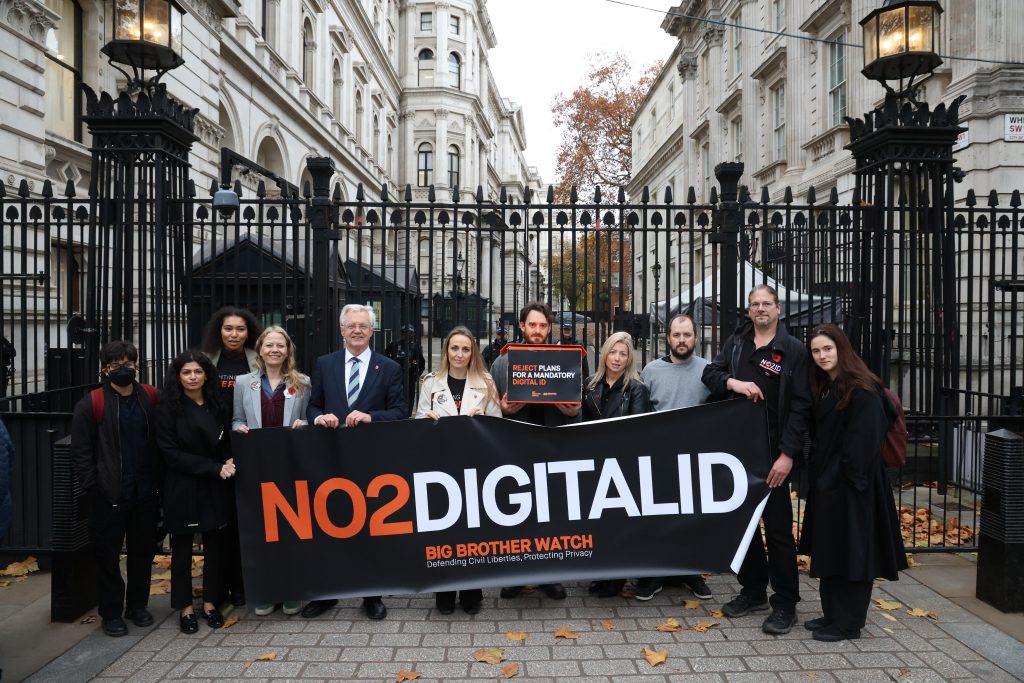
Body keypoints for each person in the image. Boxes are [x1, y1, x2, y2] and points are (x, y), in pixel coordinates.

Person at [701, 285, 811, 635]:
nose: (760, 309)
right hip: (738, 453)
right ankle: (753, 591)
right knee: (743, 528)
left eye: (766, 304)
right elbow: (710, 375)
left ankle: (785, 603)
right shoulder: (736, 343)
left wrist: (788, 454)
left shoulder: (794, 350)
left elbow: (801, 406)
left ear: (778, 309)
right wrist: (733, 383)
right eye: (755, 304)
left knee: (778, 532)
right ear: (748, 310)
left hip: (775, 454)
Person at [802, 324, 907, 642]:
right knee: (832, 550)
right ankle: (833, 614)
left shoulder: (862, 389)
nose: (822, 355)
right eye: (816, 351)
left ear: (842, 349)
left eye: (827, 348)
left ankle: (849, 623)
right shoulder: (829, 385)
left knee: (854, 554)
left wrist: (840, 479)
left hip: (854, 487)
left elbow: (861, 446)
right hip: (832, 485)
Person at [304, 303, 408, 620]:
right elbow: (312, 406)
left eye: (363, 326)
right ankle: (328, 593)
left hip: (370, 461)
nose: (357, 331)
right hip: (331, 459)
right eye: (351, 326)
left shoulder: (388, 368)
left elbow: (400, 412)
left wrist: (370, 417)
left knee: (370, 529)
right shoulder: (325, 364)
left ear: (372, 330)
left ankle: (371, 595)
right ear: (342, 330)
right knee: (329, 525)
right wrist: (319, 418)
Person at [69, 341, 161, 638]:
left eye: (128, 363)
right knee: (107, 556)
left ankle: (137, 606)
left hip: (144, 490)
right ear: (105, 370)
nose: (124, 368)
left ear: (137, 365)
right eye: (116, 364)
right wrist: (94, 488)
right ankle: (111, 612)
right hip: (109, 493)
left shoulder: (150, 396)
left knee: (142, 553)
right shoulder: (92, 404)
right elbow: (81, 453)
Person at [489, 302, 578, 600]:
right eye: (532, 325)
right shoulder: (502, 363)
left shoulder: (566, 360)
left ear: (549, 328)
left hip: (554, 443)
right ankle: (518, 574)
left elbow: (577, 409)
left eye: (542, 326)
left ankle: (549, 575)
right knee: (517, 512)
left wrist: (571, 412)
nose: (537, 331)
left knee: (552, 512)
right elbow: (491, 409)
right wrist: (503, 409)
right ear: (522, 327)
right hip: (516, 446)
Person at [414, 325, 501, 615]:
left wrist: (485, 418)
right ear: (446, 351)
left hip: (475, 467)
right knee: (444, 531)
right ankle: (445, 590)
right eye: (454, 348)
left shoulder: (486, 382)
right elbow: (417, 419)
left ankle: (472, 590)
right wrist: (424, 420)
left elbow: (499, 423)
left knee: (472, 532)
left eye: (465, 349)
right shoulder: (430, 382)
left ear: (472, 352)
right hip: (441, 467)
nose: (459, 354)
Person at [231, 326, 311, 617]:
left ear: (288, 350)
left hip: (289, 466)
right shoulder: (244, 383)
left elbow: (307, 419)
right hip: (257, 467)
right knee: (263, 531)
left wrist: (304, 425)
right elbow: (236, 419)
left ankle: (292, 590)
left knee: (291, 531)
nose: (275, 350)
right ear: (260, 350)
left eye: (280, 345)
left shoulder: (302, 382)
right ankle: (267, 591)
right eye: (269, 345)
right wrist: (238, 428)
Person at [634, 314, 714, 602]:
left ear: (695, 337)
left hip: (695, 458)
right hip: (659, 458)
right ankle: (654, 573)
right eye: (677, 335)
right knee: (658, 518)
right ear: (668, 338)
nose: (682, 340)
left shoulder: (708, 371)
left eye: (687, 335)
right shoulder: (651, 371)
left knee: (691, 519)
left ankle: (690, 572)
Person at [155, 350, 235, 634]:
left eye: (198, 372)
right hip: (183, 484)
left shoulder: (218, 403)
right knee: (182, 548)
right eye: (186, 372)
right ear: (178, 376)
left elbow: (226, 439)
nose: (192, 377)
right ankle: (185, 607)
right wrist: (214, 468)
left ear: (206, 374)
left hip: (216, 483)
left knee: (215, 545)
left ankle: (210, 602)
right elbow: (170, 453)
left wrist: (228, 460)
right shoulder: (167, 408)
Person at [581, 331, 650, 598]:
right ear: (605, 354)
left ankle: (617, 577)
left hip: (622, 465)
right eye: (613, 352)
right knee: (598, 523)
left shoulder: (637, 388)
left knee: (619, 524)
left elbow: (637, 430)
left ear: (629, 358)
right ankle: (601, 572)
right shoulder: (589, 385)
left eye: (623, 354)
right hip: (594, 463)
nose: (617, 358)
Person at [201, 305, 262, 608]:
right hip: (213, 448)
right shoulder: (206, 359)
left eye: (240, 329)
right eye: (228, 329)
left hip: (246, 444)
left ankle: (241, 584)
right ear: (219, 331)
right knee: (218, 521)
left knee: (244, 520)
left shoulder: (257, 359)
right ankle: (219, 586)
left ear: (249, 332)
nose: (234, 334)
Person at [384, 323, 425, 413]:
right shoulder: (394, 344)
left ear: (413, 334)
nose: (406, 335)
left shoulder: (415, 347)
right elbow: (385, 358)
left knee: (409, 399)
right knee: (393, 397)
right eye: (404, 332)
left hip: (409, 377)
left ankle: (408, 415)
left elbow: (421, 363)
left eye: (410, 333)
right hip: (395, 377)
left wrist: (416, 376)